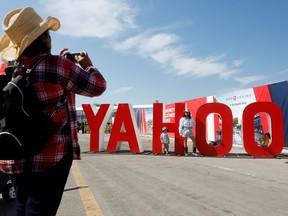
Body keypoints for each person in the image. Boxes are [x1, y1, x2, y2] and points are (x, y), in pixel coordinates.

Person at [0, 7, 106, 216]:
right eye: (48, 34)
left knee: (21, 207)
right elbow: (98, 86)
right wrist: (88, 66)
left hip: (12, 153)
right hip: (50, 156)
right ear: (43, 38)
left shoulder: (5, 70)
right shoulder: (58, 65)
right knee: (40, 210)